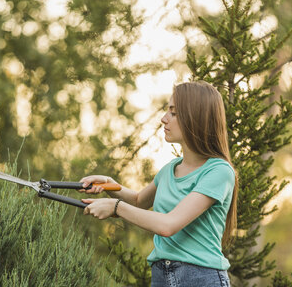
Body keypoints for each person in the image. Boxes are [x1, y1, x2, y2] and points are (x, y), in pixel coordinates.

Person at [79, 81, 238, 287]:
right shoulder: (170, 169)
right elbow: (138, 201)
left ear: (194, 117)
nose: (164, 119)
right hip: (162, 276)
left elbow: (168, 225)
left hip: (201, 278)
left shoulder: (218, 171)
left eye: (173, 113)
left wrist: (115, 207)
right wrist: (111, 185)